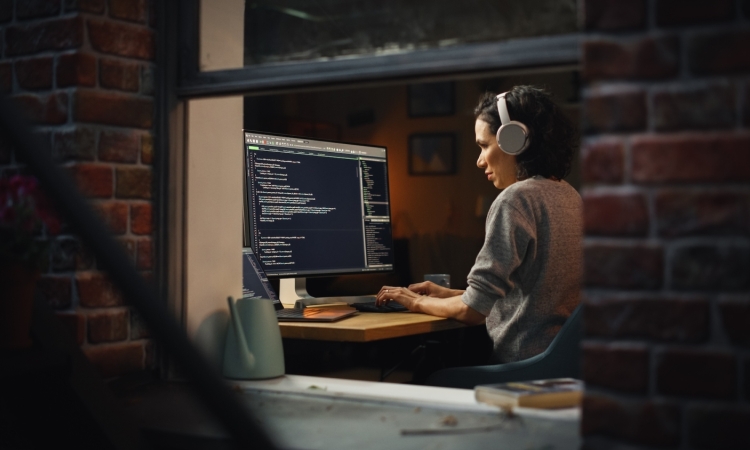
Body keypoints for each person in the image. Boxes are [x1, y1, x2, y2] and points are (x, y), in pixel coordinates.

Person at [376, 85, 582, 363]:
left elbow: (472, 312)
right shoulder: (571, 196)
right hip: (561, 367)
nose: (479, 160)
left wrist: (414, 301)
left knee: (434, 379)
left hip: (520, 369)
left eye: (484, 145)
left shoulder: (515, 199)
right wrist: (453, 294)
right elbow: (533, 300)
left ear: (514, 139)